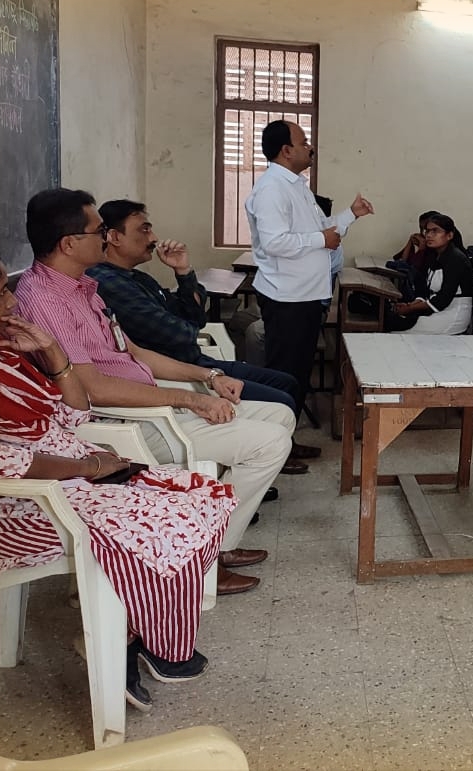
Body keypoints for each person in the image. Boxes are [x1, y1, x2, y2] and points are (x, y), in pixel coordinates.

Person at [0, 242, 236, 710]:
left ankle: (141, 635)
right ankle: (121, 643)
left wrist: (52, 352)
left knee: (202, 497)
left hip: (65, 482)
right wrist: (88, 468)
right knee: (153, 525)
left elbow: (74, 413)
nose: (12, 300)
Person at [15, 188, 291, 596]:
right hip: (117, 425)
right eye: (99, 231)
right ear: (69, 243)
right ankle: (208, 558)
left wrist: (210, 375)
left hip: (146, 400)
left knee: (280, 415)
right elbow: (93, 389)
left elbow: (136, 353)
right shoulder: (45, 300)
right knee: (269, 444)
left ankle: (209, 538)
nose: (105, 237)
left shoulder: (83, 287)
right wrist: (190, 398)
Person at [88, 199, 318, 472]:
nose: (154, 238)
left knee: (287, 383)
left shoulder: (138, 278)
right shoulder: (109, 283)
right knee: (282, 400)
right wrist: (188, 326)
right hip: (177, 372)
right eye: (144, 230)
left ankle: (283, 446)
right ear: (114, 237)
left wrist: (183, 271)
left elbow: (196, 318)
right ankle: (267, 454)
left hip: (197, 361)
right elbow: (181, 333)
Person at [245, 119, 374, 417]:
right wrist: (321, 239)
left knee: (298, 373)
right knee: (285, 373)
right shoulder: (272, 189)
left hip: (305, 296)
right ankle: (276, 434)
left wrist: (351, 214)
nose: (310, 147)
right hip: (287, 298)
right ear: (286, 150)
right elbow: (275, 242)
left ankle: (285, 432)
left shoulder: (297, 186)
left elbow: (323, 229)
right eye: (304, 142)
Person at [386, 213, 473, 334]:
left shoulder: (456, 259)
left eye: (435, 231)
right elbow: (422, 284)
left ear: (449, 235)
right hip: (435, 308)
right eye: (427, 231)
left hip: (452, 313)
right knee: (390, 319)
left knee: (396, 330)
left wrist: (411, 308)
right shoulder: (434, 254)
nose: (428, 235)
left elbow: (443, 299)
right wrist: (414, 303)